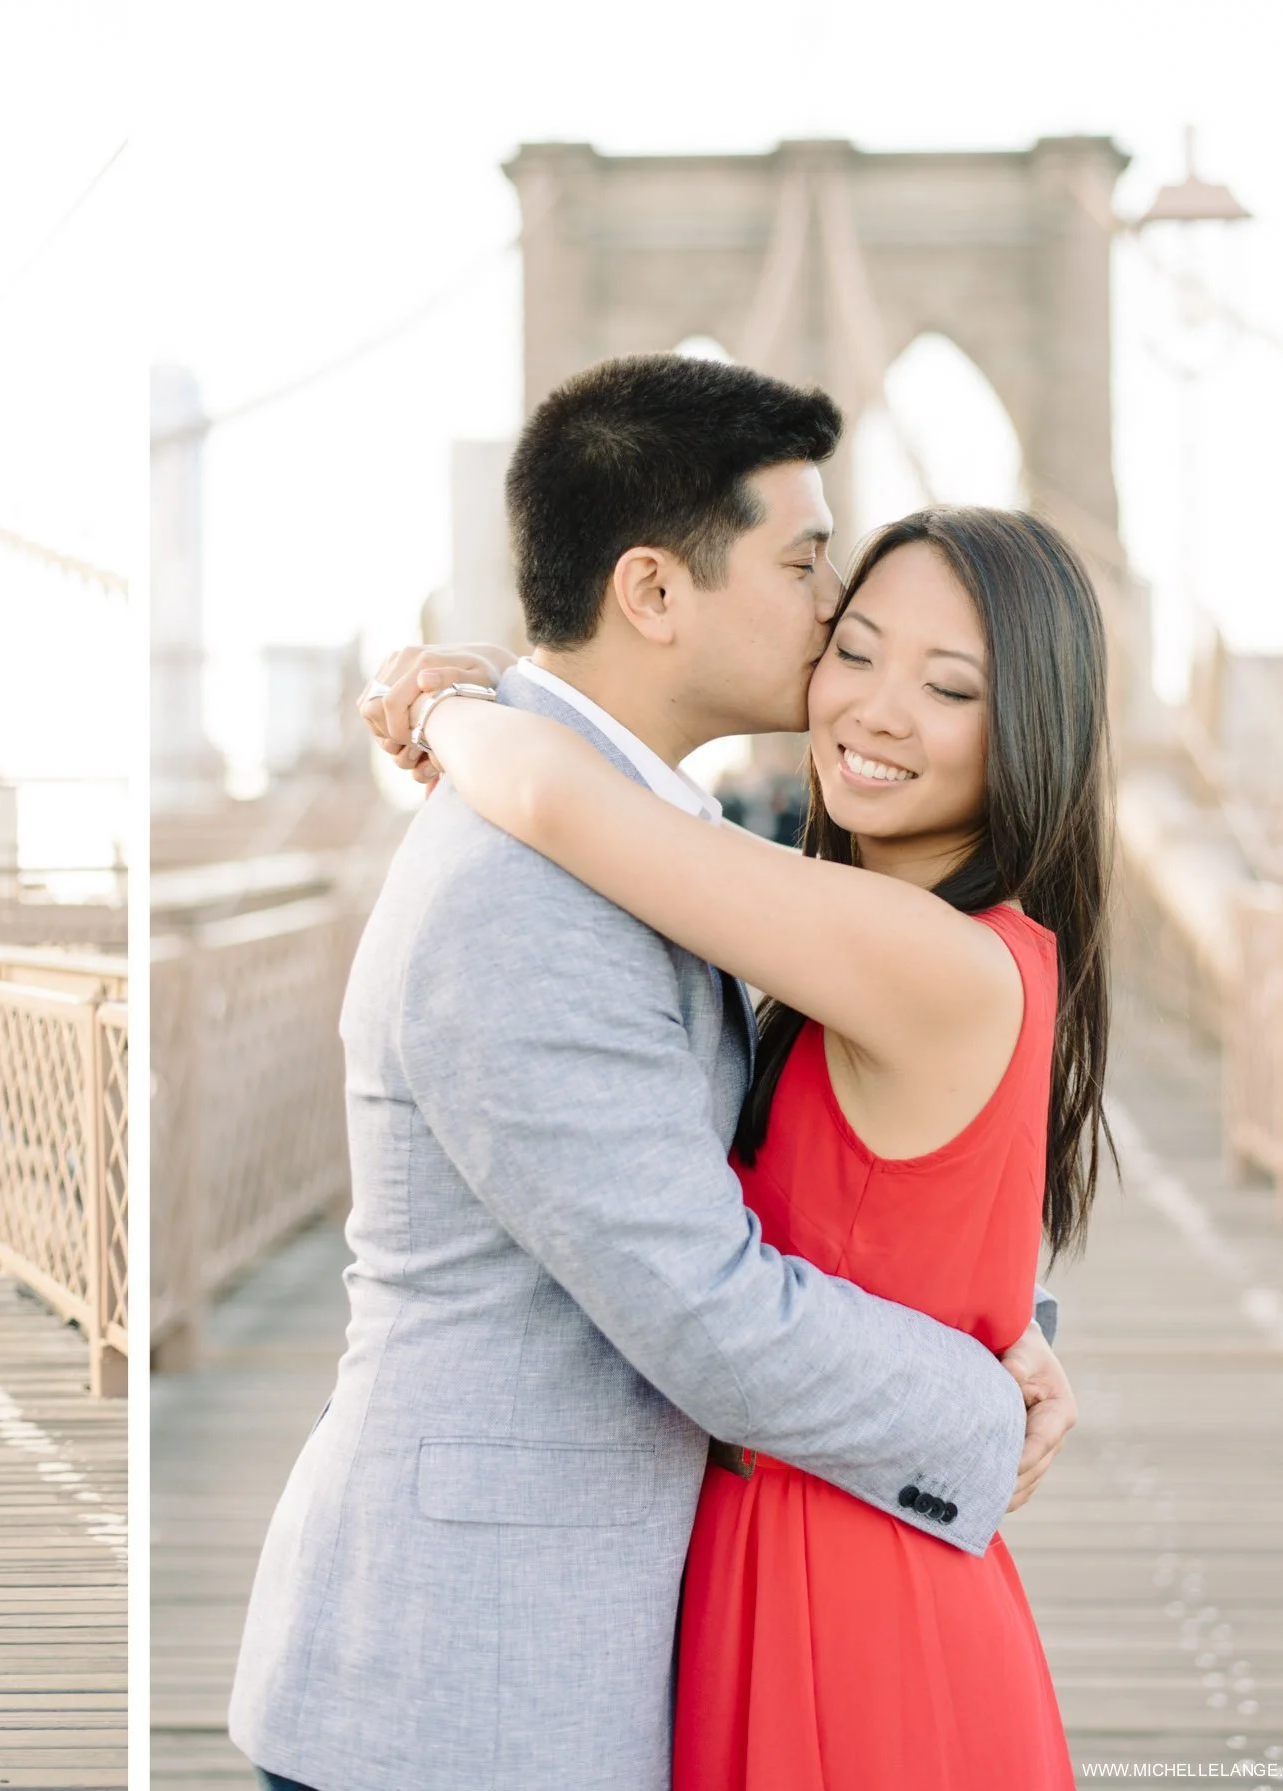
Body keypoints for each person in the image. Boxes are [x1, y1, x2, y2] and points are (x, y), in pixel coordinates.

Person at [227, 354, 1079, 1791]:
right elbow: (706, 1311)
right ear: (653, 591)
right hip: (463, 1694)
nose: (828, 618)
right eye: (809, 568)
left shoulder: (625, 837)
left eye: (940, 679)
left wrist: (997, 1312)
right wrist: (977, 1395)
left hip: (615, 1645)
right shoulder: (524, 892)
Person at [400, 499, 1107, 1787]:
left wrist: (439, 707)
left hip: (849, 1599)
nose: (877, 710)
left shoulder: (927, 954)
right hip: (805, 1550)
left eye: (949, 687)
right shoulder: (883, 931)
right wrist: (1005, 1333)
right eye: (855, 650)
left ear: (1032, 730)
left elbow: (564, 802)